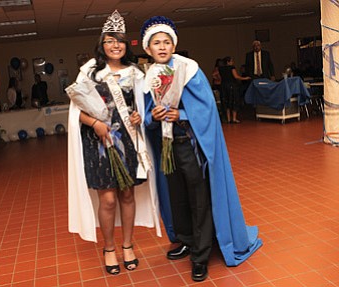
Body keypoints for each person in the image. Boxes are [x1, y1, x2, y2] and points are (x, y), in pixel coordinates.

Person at [140, 16, 262, 282]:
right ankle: (185, 239)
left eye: (166, 42)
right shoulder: (148, 76)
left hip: (189, 145)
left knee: (198, 198)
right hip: (165, 147)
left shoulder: (189, 69)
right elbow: (146, 117)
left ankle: (201, 255)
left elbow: (206, 109)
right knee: (177, 197)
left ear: (174, 45)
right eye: (156, 43)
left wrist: (179, 114)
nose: (162, 47)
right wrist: (155, 117)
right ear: (147, 49)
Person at [66, 10, 161, 276]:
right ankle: (109, 249)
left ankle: (128, 245)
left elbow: (141, 108)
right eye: (109, 40)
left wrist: (138, 116)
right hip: (98, 142)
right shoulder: (89, 73)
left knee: (127, 194)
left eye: (119, 39)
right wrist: (95, 123)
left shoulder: (136, 73)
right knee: (107, 200)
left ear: (126, 44)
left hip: (127, 141)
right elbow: (77, 111)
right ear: (102, 45)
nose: (115, 45)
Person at [219, 56, 251, 123]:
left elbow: (217, 75)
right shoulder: (232, 67)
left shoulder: (221, 68)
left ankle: (228, 119)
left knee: (226, 102)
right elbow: (236, 76)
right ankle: (234, 118)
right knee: (234, 101)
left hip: (223, 86)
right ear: (228, 62)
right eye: (232, 61)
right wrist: (246, 78)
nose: (233, 62)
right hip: (232, 86)